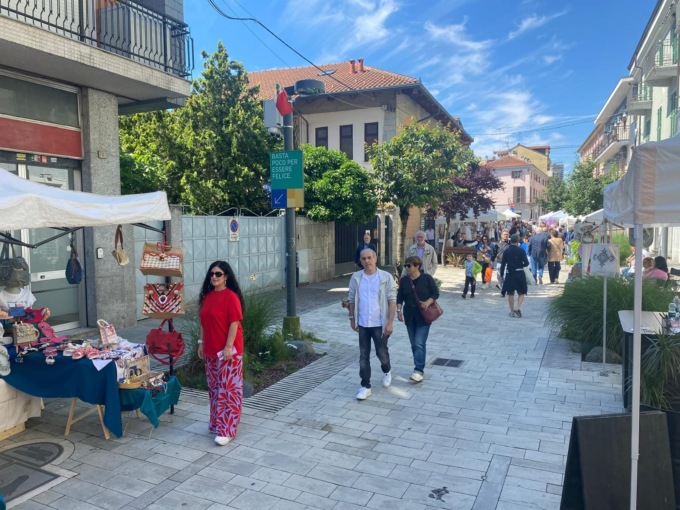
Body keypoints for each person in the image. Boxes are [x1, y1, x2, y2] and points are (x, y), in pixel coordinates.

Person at [197, 261, 245, 446]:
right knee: (215, 389)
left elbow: (234, 323)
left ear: (226, 276)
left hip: (228, 351)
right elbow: (203, 321)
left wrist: (228, 347)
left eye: (218, 274)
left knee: (229, 390)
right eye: (212, 274)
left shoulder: (231, 297)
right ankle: (217, 423)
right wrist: (201, 343)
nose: (214, 277)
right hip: (210, 349)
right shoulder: (208, 296)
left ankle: (228, 429)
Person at [348, 249, 396, 400]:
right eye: (364, 259)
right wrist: (352, 318)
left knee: (381, 353)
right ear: (360, 261)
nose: (367, 261)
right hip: (363, 322)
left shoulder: (385, 277)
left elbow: (392, 300)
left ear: (376, 258)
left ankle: (387, 370)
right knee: (364, 355)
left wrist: (390, 322)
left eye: (369, 257)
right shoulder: (356, 277)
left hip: (379, 323)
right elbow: (351, 299)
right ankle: (365, 386)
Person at [397, 255, 439, 383]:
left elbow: (435, 293)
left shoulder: (426, 278)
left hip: (423, 316)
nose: (407, 268)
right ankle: (418, 366)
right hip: (409, 316)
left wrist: (427, 302)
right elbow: (400, 297)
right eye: (405, 265)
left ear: (417, 266)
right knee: (414, 344)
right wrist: (399, 311)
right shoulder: (404, 280)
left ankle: (418, 370)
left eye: (409, 265)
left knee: (419, 342)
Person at [500, 234, 530, 318]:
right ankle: (518, 307)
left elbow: (503, 264)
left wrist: (501, 274)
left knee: (510, 293)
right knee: (521, 292)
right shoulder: (521, 251)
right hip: (519, 273)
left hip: (510, 274)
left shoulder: (506, 251)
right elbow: (526, 263)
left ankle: (512, 312)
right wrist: (520, 264)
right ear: (518, 241)